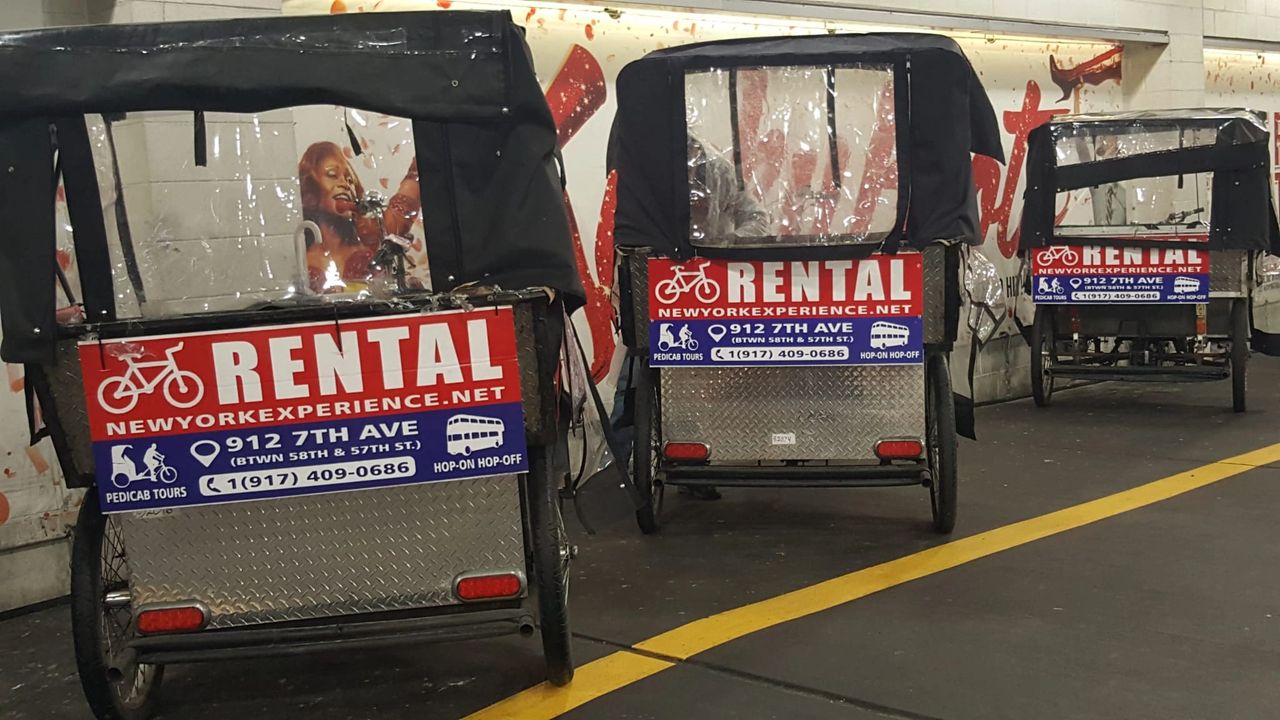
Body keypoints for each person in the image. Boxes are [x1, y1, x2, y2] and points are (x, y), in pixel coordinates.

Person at [610, 135, 772, 502]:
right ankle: (632, 468)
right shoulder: (646, 177)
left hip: (710, 292)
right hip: (663, 290)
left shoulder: (718, 173)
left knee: (694, 386)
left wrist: (727, 245)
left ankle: (690, 468)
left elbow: (757, 217)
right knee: (638, 382)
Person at [297, 141, 423, 294]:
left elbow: (408, 195)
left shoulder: (374, 236)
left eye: (350, 180)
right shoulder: (297, 251)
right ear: (310, 190)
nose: (344, 184)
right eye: (332, 175)